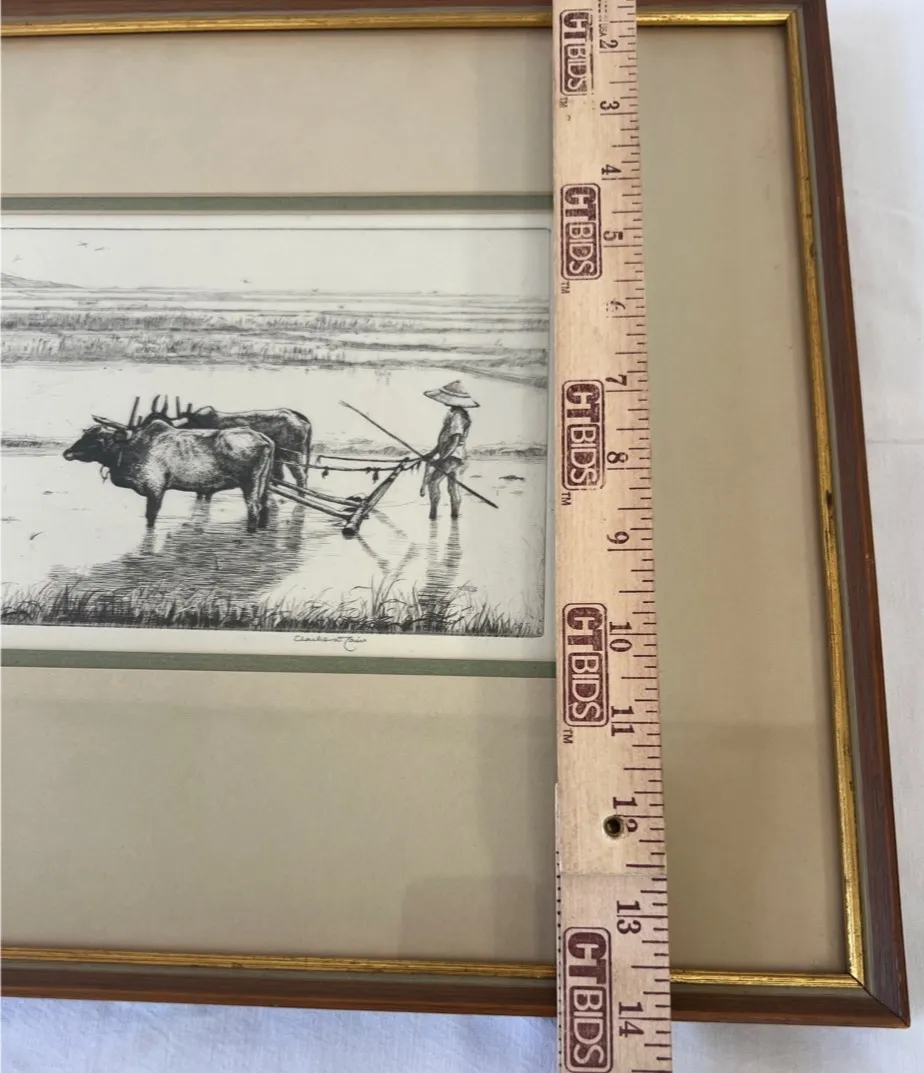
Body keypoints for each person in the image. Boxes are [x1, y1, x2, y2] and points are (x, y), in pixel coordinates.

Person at [420, 380, 478, 520]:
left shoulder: (456, 416)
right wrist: (432, 453)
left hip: (451, 457)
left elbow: (455, 440)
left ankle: (433, 515)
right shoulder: (460, 415)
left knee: (433, 482)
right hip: (458, 457)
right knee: (453, 487)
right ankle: (454, 518)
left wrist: (442, 458)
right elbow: (446, 441)